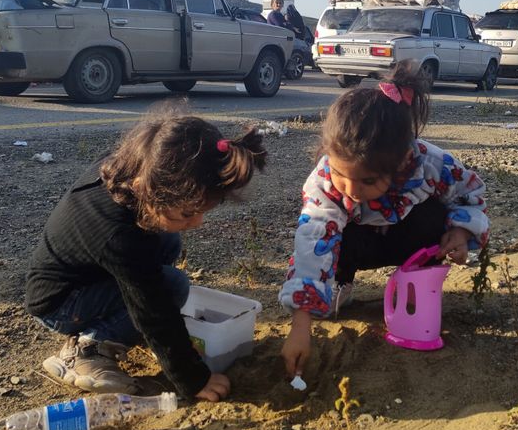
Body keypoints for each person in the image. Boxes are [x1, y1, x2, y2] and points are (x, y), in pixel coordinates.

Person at [26, 115, 266, 401]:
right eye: (188, 213)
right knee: (173, 286)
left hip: (88, 275)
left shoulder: (132, 165)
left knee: (167, 239)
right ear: (143, 188)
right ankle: (87, 348)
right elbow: (154, 310)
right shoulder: (117, 235)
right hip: (61, 303)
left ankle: (120, 326)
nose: (198, 222)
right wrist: (193, 378)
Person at [278, 63, 490, 378]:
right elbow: (313, 239)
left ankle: (415, 284)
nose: (350, 189)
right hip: (358, 244)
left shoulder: (432, 164)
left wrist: (460, 231)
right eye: (340, 174)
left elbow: (470, 195)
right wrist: (301, 324)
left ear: (403, 161)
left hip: (409, 242)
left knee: (434, 212)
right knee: (328, 229)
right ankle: (341, 280)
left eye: (367, 181)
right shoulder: (325, 182)